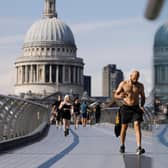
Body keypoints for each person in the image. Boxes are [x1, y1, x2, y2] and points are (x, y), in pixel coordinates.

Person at [114, 70, 146, 155]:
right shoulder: (123, 84)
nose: (136, 79)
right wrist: (119, 96)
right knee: (124, 127)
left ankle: (139, 147)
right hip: (125, 108)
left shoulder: (140, 86)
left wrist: (142, 105)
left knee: (137, 125)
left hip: (136, 108)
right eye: (134, 77)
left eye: (137, 77)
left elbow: (143, 97)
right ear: (131, 76)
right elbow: (115, 95)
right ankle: (122, 145)